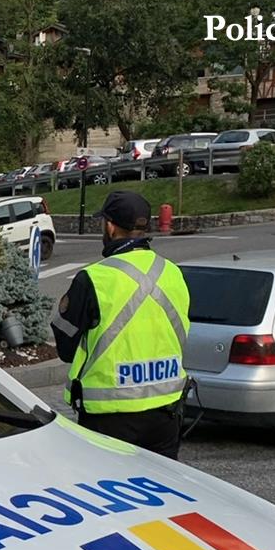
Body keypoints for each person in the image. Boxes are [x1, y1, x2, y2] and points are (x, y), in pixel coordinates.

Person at [53, 189, 191, 459]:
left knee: (107, 496)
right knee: (161, 493)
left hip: (109, 417)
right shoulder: (174, 272)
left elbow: (65, 348)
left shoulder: (94, 278)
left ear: (110, 226)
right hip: (166, 411)